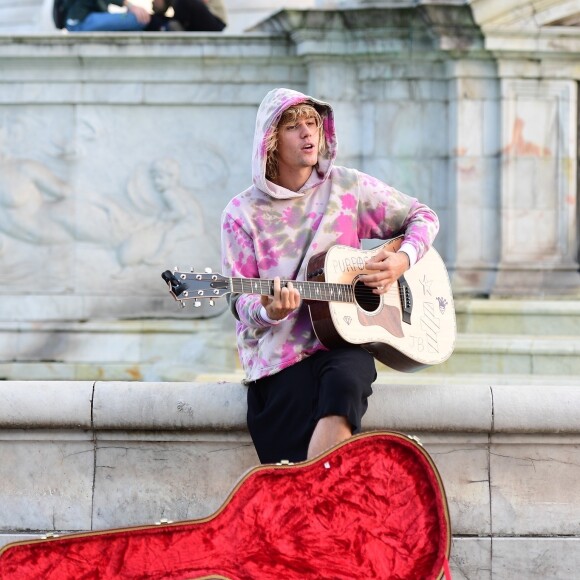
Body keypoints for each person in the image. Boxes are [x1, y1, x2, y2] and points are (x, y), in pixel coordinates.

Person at [220, 88, 439, 465]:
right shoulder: (241, 213)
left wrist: (402, 260)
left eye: (313, 124)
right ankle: (320, 498)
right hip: (278, 358)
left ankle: (319, 494)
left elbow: (423, 216)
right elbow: (238, 300)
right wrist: (269, 311)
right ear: (271, 140)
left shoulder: (347, 187)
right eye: (294, 127)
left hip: (342, 343)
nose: (308, 134)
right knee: (288, 446)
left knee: (346, 381)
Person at [64, 0, 151, 32]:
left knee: (136, 27)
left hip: (82, 21)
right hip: (80, 22)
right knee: (136, 19)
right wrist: (131, 6)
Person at [149, 0, 227, 32]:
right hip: (188, 22)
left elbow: (199, 4)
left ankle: (177, 27)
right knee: (153, 19)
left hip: (214, 21)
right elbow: (160, 8)